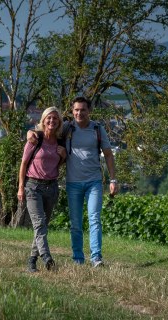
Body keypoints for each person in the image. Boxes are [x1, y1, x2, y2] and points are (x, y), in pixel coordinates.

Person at [27, 97, 117, 267]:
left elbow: (109, 155)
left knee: (94, 219)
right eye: (76, 110)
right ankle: (78, 259)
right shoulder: (68, 128)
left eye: (83, 110)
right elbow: (47, 131)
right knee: (75, 223)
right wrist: (30, 133)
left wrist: (113, 179)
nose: (79, 113)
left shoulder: (97, 129)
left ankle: (96, 258)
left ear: (89, 111)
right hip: (73, 183)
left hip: (94, 182)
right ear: (72, 111)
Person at [18, 107, 67, 273]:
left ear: (59, 122)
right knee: (39, 224)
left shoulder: (60, 142)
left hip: (51, 187)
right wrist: (20, 188)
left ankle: (32, 260)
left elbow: (56, 165)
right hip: (33, 186)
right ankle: (46, 257)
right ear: (43, 120)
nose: (51, 121)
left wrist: (63, 156)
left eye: (55, 119)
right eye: (49, 118)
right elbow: (24, 164)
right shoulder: (35, 139)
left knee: (42, 226)